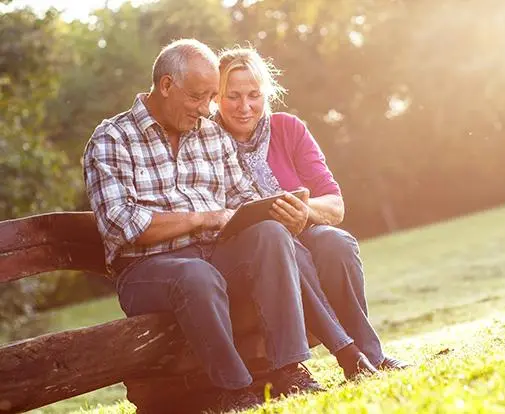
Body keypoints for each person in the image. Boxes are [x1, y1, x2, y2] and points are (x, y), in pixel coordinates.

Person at [82, 39, 324, 413]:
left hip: (215, 255)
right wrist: (202, 217)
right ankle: (236, 390)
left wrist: (276, 211)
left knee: (270, 235)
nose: (206, 109)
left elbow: (243, 197)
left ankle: (289, 368)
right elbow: (121, 226)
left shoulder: (210, 134)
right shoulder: (112, 139)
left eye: (212, 96)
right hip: (147, 270)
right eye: (198, 97)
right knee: (195, 275)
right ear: (166, 86)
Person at [214, 46, 412, 378]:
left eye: (253, 95)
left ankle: (370, 355)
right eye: (232, 96)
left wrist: (301, 211)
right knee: (284, 243)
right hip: (250, 256)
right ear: (216, 97)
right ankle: (349, 353)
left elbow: (335, 205)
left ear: (267, 93)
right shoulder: (205, 142)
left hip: (302, 233)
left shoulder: (289, 128)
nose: (244, 107)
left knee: (336, 243)